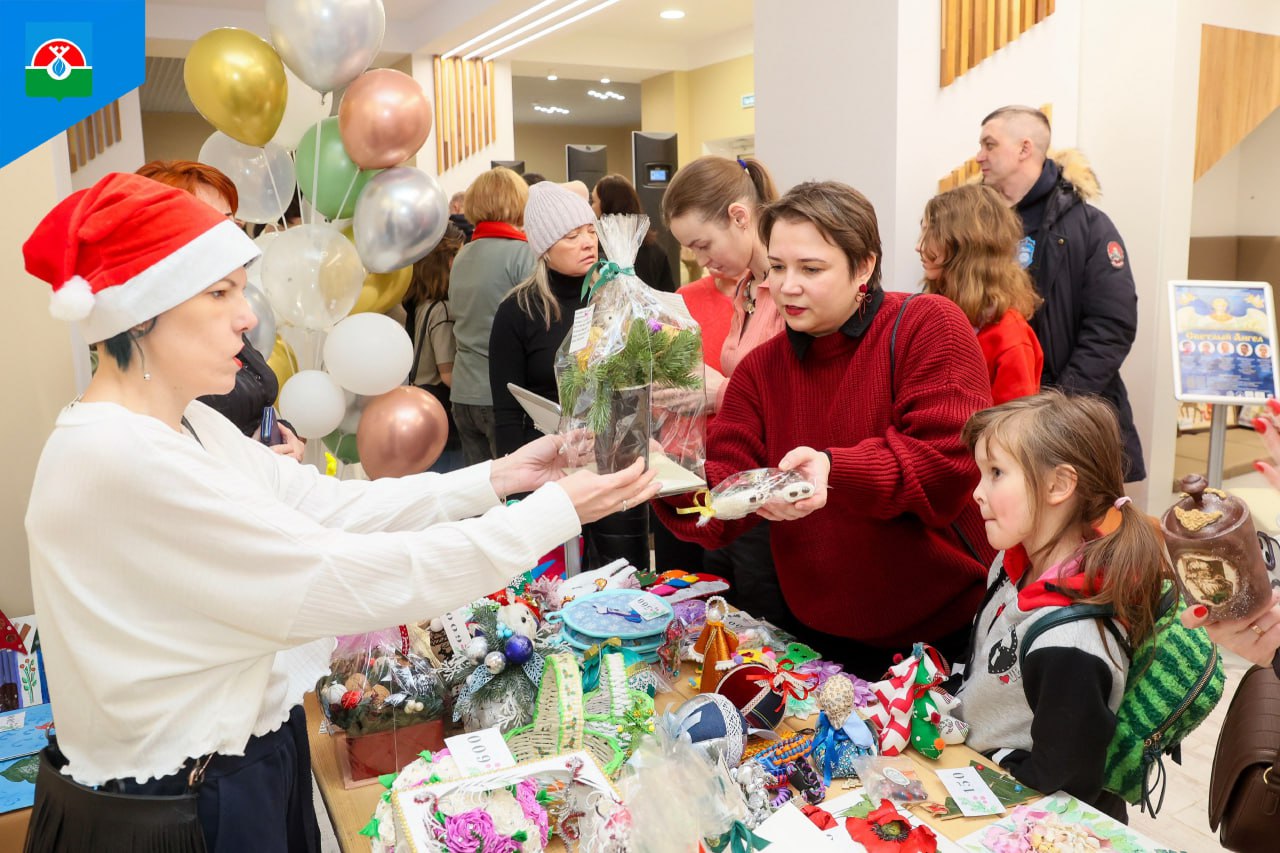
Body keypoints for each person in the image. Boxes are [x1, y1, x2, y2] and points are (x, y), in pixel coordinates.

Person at [19, 173, 657, 853]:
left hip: (239, 763)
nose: (247, 316)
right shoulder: (119, 459)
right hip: (180, 805)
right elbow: (332, 576)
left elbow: (327, 504)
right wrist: (550, 513)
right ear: (140, 313)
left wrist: (500, 477)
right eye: (219, 292)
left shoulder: (186, 425)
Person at [655, 181, 994, 676]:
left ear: (864, 266)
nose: (786, 286)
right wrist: (653, 471)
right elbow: (723, 503)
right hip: (817, 636)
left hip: (942, 632)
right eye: (776, 268)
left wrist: (834, 470)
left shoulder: (926, 324)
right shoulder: (761, 371)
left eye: (811, 269)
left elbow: (945, 463)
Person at [954, 391, 1170, 821]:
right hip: (972, 769)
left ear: (1058, 485)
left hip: (1016, 813)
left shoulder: (1071, 642)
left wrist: (985, 773)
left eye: (996, 472)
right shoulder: (1011, 562)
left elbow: (1063, 781)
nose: (977, 492)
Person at [976, 105, 1145, 482]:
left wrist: (1056, 406)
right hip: (998, 421)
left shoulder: (1089, 227)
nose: (979, 156)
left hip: (1071, 421)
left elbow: (1111, 326)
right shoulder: (980, 225)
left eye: (989, 144)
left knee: (1084, 539)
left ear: (1024, 149)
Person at [488, 182, 650, 571]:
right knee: (557, 580)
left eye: (591, 231)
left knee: (624, 575)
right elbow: (507, 412)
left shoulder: (617, 296)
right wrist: (516, 488)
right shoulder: (518, 311)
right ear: (544, 248)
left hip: (615, 464)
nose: (587, 243)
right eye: (571, 236)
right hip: (550, 470)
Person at [660, 155, 788, 622]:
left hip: (773, 492)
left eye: (703, 244)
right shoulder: (747, 290)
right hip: (735, 482)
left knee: (766, 624)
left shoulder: (787, 292)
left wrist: (719, 393)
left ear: (739, 216)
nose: (699, 260)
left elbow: (797, 393)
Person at [136, 159, 305, 461]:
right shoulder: (160, 352)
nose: (247, 318)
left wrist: (283, 434)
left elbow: (256, 405)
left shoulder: (223, 319)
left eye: (232, 222)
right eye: (212, 223)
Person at [917, 183, 1044, 405]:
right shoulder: (935, 315)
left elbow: (1011, 430)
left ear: (964, 246)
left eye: (931, 234)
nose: (919, 246)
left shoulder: (1009, 337)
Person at [449, 167, 534, 465]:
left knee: (480, 497)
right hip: (502, 398)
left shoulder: (463, 254)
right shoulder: (522, 255)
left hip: (463, 393)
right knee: (514, 495)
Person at [404, 223, 467, 473]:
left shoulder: (418, 305)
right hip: (443, 414)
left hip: (420, 402)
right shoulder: (442, 310)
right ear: (448, 262)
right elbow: (448, 374)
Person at [591, 174, 676, 292]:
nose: (591, 207)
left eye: (594, 201)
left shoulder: (598, 253)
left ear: (607, 205)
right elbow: (668, 294)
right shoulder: (656, 250)